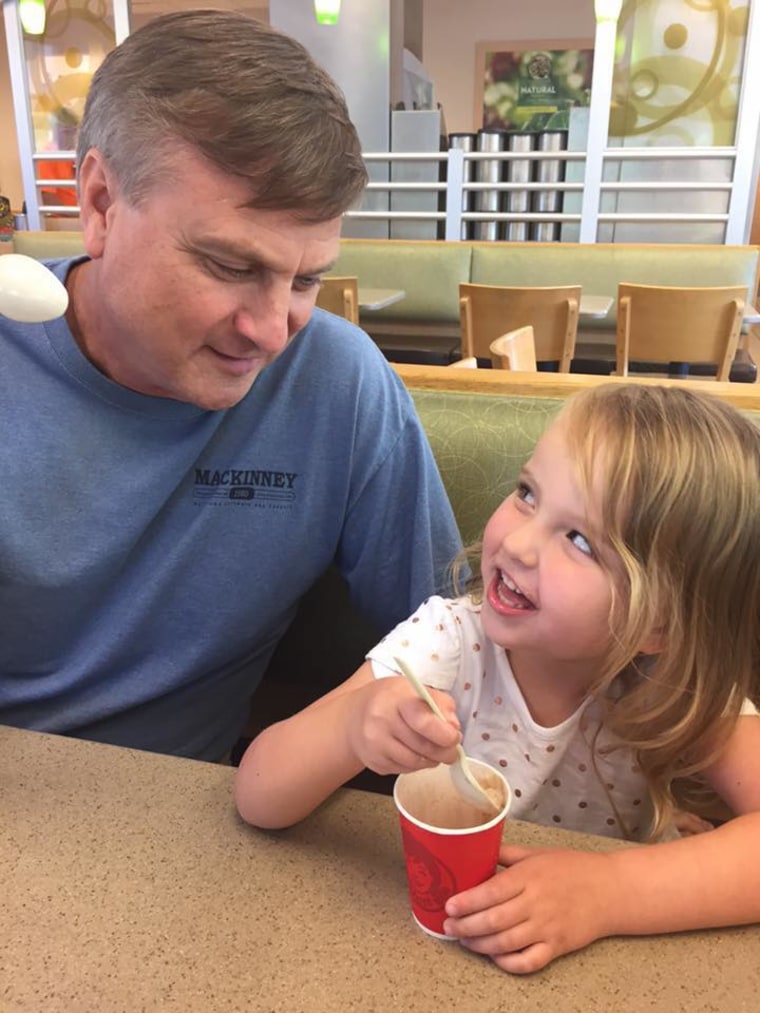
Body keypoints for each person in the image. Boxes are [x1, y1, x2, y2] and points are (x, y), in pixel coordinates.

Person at [0, 11, 462, 761]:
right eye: (230, 266)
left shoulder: (335, 383)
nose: (273, 332)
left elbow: (448, 638)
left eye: (306, 278)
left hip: (197, 826)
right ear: (99, 205)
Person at [235, 383, 760, 973]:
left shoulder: (670, 686)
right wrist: (354, 727)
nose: (517, 542)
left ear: (658, 626)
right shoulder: (449, 641)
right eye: (528, 494)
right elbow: (258, 795)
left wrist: (609, 892)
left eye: (581, 540)